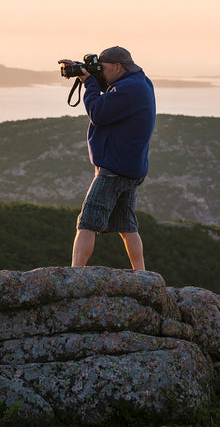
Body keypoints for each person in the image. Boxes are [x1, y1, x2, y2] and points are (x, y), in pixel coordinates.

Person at [58, 46, 156, 270]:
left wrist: (90, 83)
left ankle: (75, 275)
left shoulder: (128, 88)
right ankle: (142, 276)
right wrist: (85, 73)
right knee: (127, 226)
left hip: (114, 169)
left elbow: (98, 113)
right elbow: (112, 91)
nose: (101, 72)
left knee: (87, 222)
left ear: (117, 67)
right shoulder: (139, 82)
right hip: (131, 168)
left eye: (103, 68)